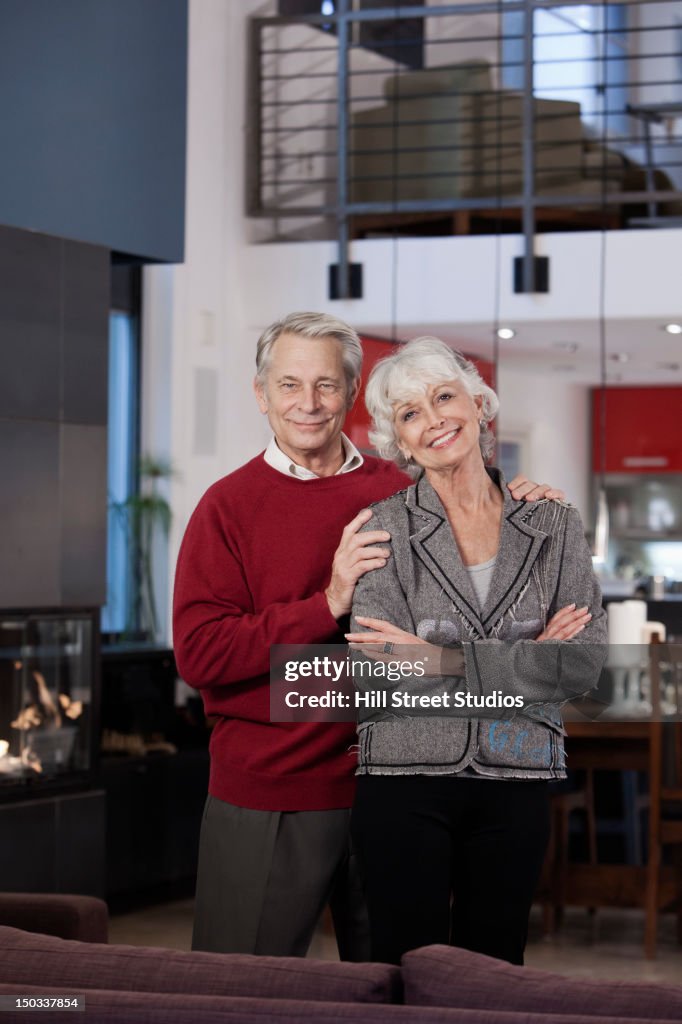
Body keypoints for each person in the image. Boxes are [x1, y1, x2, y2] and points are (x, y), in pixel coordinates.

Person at [172, 312, 566, 960]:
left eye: (326, 385)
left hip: (397, 793)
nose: (308, 403)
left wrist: (525, 512)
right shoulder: (227, 506)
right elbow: (202, 655)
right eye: (290, 385)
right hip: (271, 793)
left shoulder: (405, 489)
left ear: (351, 393)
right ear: (261, 393)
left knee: (399, 992)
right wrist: (329, 602)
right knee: (239, 990)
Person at [346, 336, 608, 966]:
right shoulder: (383, 526)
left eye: (444, 397)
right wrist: (526, 658)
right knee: (403, 971)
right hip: (403, 778)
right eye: (410, 413)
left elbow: (579, 667)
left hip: (515, 773)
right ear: (398, 440)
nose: (434, 420)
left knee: (494, 973)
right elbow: (376, 678)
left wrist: (442, 659)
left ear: (478, 404)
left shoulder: (553, 524)